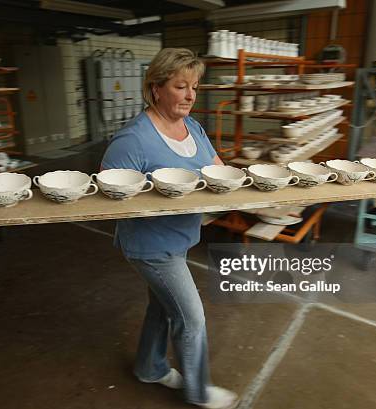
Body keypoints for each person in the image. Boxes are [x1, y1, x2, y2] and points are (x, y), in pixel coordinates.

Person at [100, 48, 239, 409]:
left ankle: (150, 367)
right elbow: (107, 194)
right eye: (181, 86)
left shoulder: (191, 127)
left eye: (194, 86)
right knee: (191, 317)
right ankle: (198, 391)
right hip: (150, 246)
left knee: (163, 306)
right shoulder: (134, 139)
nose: (191, 95)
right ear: (156, 88)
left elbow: (217, 169)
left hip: (180, 238)